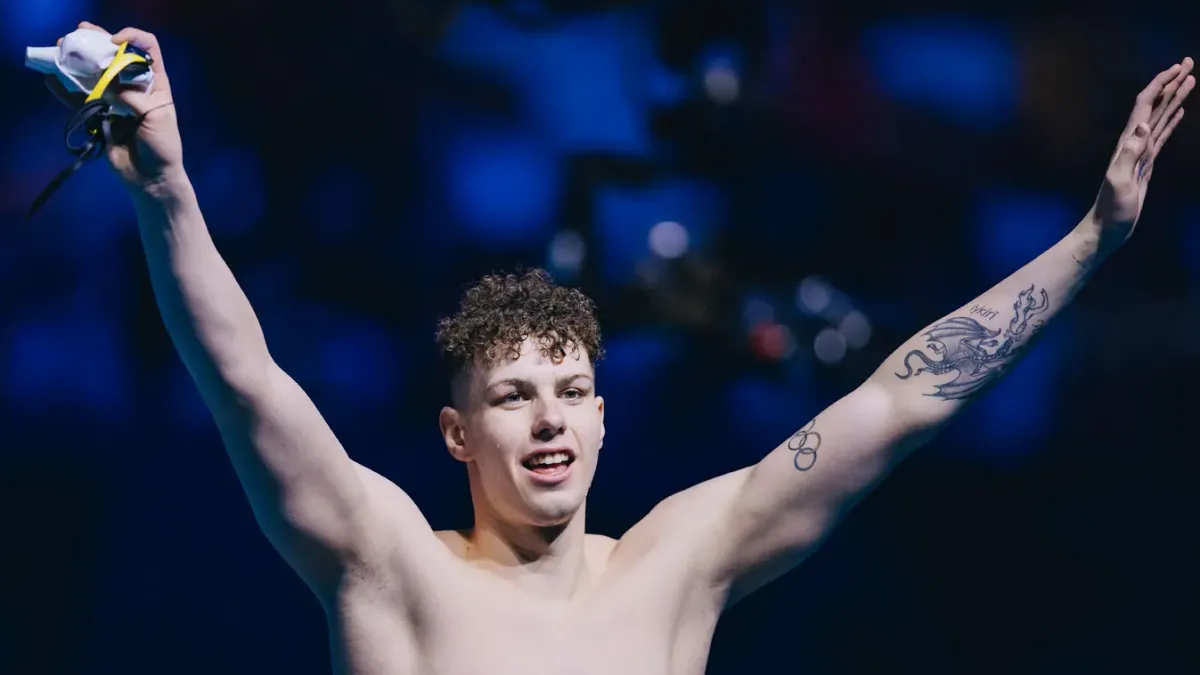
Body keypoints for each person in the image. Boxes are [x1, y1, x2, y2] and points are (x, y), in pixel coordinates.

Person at [47, 22, 1192, 675]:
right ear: (457, 433)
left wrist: (1090, 241)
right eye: (514, 396)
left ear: (603, 416)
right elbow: (245, 380)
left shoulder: (682, 560)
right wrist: (168, 190)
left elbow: (901, 399)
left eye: (571, 390)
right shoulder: (386, 561)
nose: (550, 415)